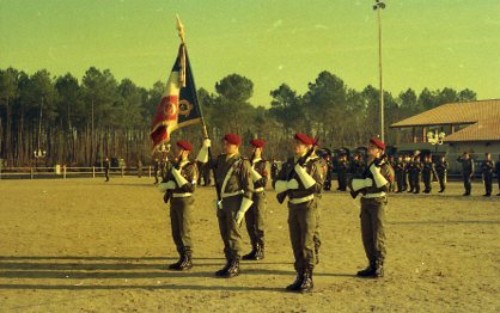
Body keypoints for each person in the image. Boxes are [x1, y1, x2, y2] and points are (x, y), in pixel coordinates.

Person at [197, 133, 253, 278]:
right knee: (225, 233)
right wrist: (205, 148)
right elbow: (202, 164)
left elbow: (249, 187)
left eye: (228, 144)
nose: (225, 146)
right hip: (222, 201)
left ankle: (235, 264)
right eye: (225, 143)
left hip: (235, 201)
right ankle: (229, 262)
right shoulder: (221, 159)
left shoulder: (242, 162)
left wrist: (242, 209)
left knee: (234, 234)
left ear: (236, 146)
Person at [274, 133, 323, 293]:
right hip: (293, 206)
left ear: (308, 147)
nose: (296, 145)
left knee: (306, 243)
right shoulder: (289, 163)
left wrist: (301, 172)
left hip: (308, 205)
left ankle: (308, 277)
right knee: (296, 243)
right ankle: (300, 275)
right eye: (295, 143)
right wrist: (289, 184)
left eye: (300, 144)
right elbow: (277, 184)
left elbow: (317, 188)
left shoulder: (315, 164)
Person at [349, 137, 394, 278]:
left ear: (380, 151)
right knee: (367, 235)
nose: (369, 149)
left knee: (378, 234)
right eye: (369, 147)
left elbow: (388, 186)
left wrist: (376, 172)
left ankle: (379, 265)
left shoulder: (385, 167)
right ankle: (372, 263)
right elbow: (354, 181)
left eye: (372, 147)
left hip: (378, 201)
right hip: (366, 201)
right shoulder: (366, 165)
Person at [158, 140, 198, 270]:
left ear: (186, 152)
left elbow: (191, 188)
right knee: (176, 232)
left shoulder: (191, 167)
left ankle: (188, 258)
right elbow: (161, 186)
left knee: (184, 230)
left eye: (179, 149)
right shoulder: (173, 167)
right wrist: (167, 185)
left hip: (185, 202)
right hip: (174, 201)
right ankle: (181, 256)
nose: (176, 151)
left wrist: (176, 175)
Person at [242, 139, 269, 260]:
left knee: (259, 223)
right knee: (249, 223)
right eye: (252, 148)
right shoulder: (246, 161)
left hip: (258, 195)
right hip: (248, 194)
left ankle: (260, 249)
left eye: (256, 148)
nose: (253, 150)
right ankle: (254, 248)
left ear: (261, 150)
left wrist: (251, 170)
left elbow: (263, 181)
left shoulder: (263, 164)